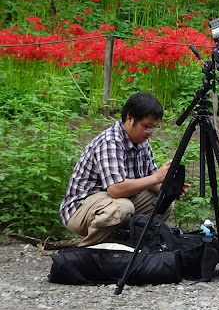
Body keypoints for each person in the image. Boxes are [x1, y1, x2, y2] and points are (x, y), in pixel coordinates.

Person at [59, 93, 188, 246]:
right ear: (130, 118)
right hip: (81, 208)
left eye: (154, 128)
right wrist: (156, 178)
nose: (150, 133)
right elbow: (116, 190)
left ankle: (126, 247)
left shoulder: (142, 143)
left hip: (113, 202)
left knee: (163, 204)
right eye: (146, 127)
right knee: (122, 208)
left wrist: (170, 188)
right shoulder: (110, 142)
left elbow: (149, 181)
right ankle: (88, 251)